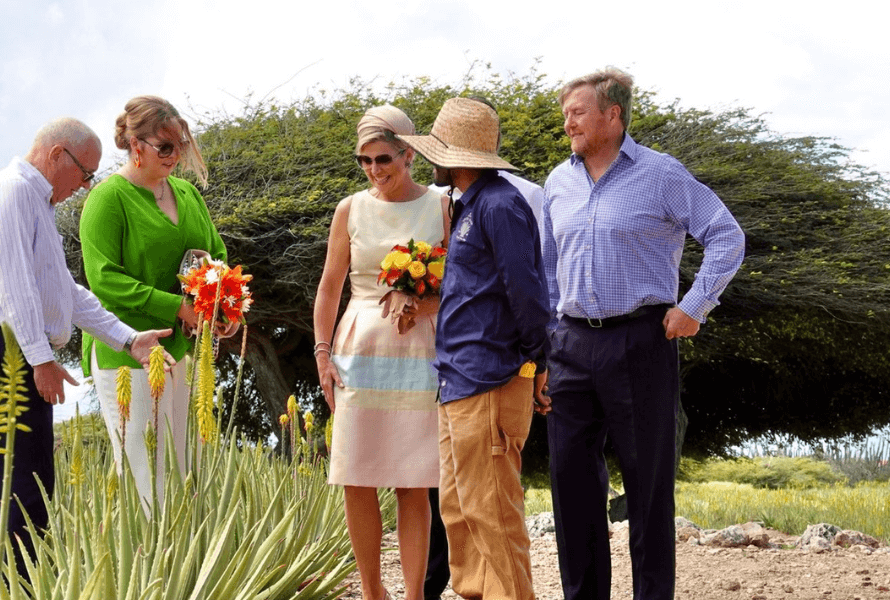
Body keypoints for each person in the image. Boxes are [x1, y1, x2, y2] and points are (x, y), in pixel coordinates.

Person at [542, 68, 745, 600]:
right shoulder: (557, 183)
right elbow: (547, 268)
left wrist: (694, 306)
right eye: (566, 114)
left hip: (640, 342)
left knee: (648, 488)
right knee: (571, 486)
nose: (568, 124)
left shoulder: (660, 174)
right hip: (569, 344)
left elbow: (726, 235)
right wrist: (545, 345)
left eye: (578, 112)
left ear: (613, 115)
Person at [0, 117, 173, 581]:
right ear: (55, 155)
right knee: (8, 488)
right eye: (85, 173)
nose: (86, 185)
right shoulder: (11, 191)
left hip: (19, 347)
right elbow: (14, 285)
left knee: (30, 485)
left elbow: (63, 291)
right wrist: (41, 358)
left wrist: (128, 339)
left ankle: (22, 586)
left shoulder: (36, 202)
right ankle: (1, 587)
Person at [399, 97, 551, 600]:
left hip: (491, 377)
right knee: (459, 510)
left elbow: (526, 290)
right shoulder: (468, 203)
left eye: (438, 150)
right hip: (458, 378)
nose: (432, 160)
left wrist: (538, 362)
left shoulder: (499, 204)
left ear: (457, 155)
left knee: (492, 511)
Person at [314, 105, 449, 600]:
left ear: (410, 153)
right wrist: (323, 352)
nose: (374, 170)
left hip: (419, 349)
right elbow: (330, 287)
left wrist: (424, 298)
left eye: (384, 158)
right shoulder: (349, 209)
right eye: (365, 161)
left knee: (414, 479)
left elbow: (461, 279)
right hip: (359, 347)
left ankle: (413, 595)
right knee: (358, 475)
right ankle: (373, 592)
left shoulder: (441, 206)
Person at [79, 95, 230, 502]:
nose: (175, 155)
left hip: (183, 348)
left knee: (186, 466)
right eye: (165, 147)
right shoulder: (108, 199)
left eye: (179, 145)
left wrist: (220, 306)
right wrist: (177, 307)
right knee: (145, 471)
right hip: (127, 350)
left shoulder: (187, 194)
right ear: (135, 146)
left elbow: (216, 255)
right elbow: (104, 279)